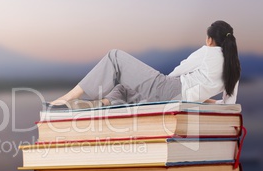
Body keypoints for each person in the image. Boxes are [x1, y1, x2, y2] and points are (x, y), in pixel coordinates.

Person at [48, 20, 241, 109]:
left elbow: (179, 70)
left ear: (209, 39)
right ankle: (101, 103)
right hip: (178, 98)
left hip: (169, 88)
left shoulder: (209, 52)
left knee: (114, 56)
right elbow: (228, 103)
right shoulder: (234, 68)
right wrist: (205, 98)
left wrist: (158, 80)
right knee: (125, 86)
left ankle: (68, 98)